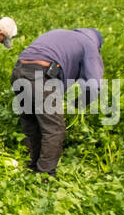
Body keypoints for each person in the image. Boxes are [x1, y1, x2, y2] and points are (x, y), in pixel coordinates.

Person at [11, 28, 105, 176]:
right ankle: (44, 176)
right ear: (97, 43)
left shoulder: (63, 35)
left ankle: (32, 165)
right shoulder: (90, 45)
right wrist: (79, 104)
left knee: (32, 122)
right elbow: (94, 84)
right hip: (40, 75)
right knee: (54, 128)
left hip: (19, 71)